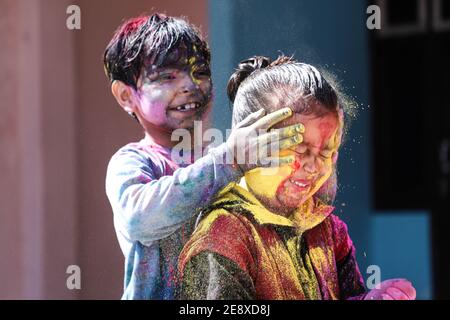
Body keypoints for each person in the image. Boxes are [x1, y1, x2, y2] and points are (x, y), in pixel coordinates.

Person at [178, 55, 416, 300]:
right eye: (300, 150)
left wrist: (369, 299)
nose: (314, 166)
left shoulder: (326, 228)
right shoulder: (225, 235)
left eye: (327, 153)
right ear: (251, 147)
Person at [103, 14, 303, 299]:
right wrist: (230, 160)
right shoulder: (134, 161)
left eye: (199, 72)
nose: (190, 85)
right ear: (126, 95)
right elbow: (139, 219)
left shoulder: (227, 156)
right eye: (167, 76)